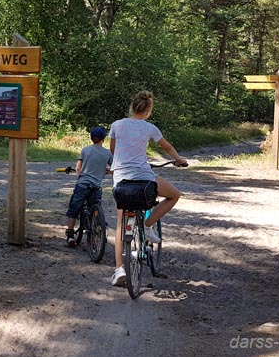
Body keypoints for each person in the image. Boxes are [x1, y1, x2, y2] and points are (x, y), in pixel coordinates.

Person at [109, 91, 187, 286]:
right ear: (148, 110)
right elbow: (167, 147)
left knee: (120, 225)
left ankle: (119, 270)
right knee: (174, 195)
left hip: (121, 179)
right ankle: (147, 224)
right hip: (144, 178)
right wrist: (179, 160)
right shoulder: (150, 128)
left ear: (132, 107)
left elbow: (113, 149)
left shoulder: (116, 125)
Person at [65, 126, 113, 247]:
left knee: (74, 208)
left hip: (83, 184)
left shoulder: (85, 150)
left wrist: (79, 177)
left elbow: (78, 168)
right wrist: (105, 171)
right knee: (95, 208)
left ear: (91, 138)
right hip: (96, 186)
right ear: (103, 139)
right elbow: (112, 168)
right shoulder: (107, 153)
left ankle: (70, 236)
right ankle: (98, 231)